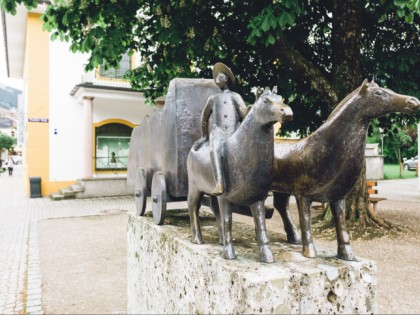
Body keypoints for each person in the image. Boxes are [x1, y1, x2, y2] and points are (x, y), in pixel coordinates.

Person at [199, 62, 247, 195]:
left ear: (226, 78)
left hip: (233, 132)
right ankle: (219, 182)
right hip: (218, 132)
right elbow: (204, 118)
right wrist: (205, 136)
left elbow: (245, 116)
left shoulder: (235, 96)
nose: (216, 80)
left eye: (219, 77)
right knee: (215, 150)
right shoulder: (213, 98)